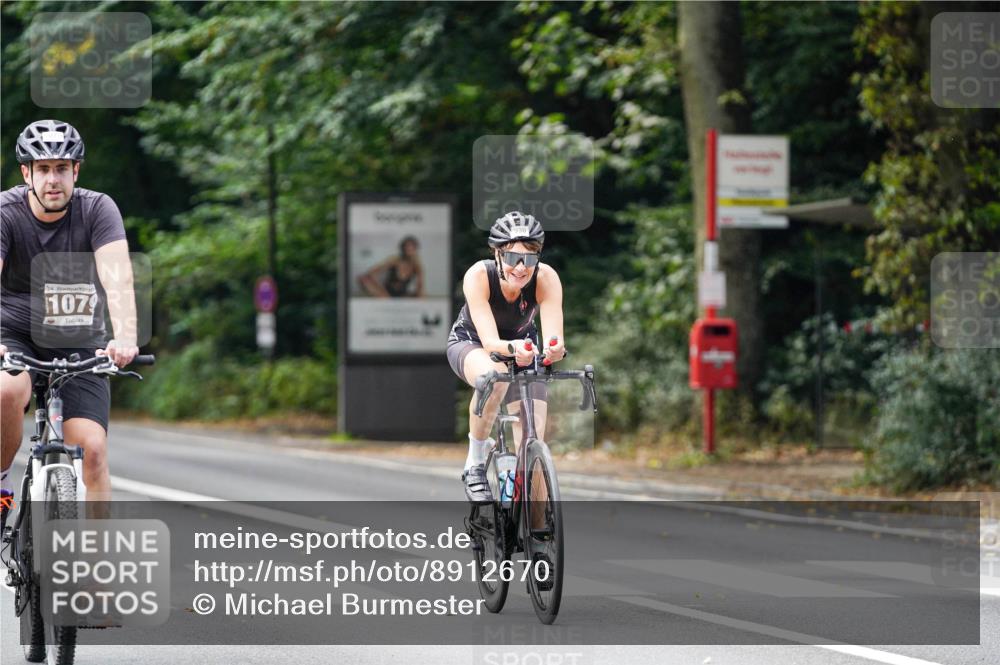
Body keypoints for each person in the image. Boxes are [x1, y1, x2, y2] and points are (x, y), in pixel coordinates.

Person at [0, 119, 139, 523]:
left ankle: (96, 569)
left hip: (77, 336)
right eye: (42, 169)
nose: (53, 179)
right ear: (26, 173)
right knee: (6, 391)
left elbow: (118, 278)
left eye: (62, 168)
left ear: (76, 171)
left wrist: (125, 336)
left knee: (92, 450)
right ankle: (2, 481)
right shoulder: (6, 212)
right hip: (14, 334)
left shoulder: (98, 209)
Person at [446, 211, 566, 504]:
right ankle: (475, 461)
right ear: (497, 254)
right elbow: (490, 342)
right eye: (513, 258)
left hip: (524, 349)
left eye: (530, 258)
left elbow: (555, 337)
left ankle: (535, 536)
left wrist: (554, 349)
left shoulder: (546, 278)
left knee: (531, 438)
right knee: (493, 377)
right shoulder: (479, 275)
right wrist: (516, 350)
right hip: (473, 344)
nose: (521, 268)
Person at [357, 235, 425, 298]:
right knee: (363, 278)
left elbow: (420, 285)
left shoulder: (417, 265)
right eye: (406, 247)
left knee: (420, 295)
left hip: (402, 294)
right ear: (402, 249)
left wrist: (419, 296)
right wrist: (378, 287)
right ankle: (385, 298)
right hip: (386, 293)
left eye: (411, 247)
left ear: (415, 249)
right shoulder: (394, 260)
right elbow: (372, 272)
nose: (409, 249)